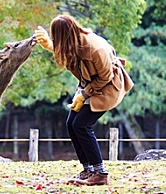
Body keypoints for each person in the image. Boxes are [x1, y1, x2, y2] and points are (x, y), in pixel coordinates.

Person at [34, 14, 134, 186]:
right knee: (71, 123)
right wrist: (49, 45)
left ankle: (100, 173)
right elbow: (68, 53)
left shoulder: (95, 48)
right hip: (89, 85)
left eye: (57, 38)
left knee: (81, 125)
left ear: (66, 35)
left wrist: (84, 95)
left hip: (107, 87)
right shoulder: (73, 42)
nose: (56, 41)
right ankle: (88, 169)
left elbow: (105, 78)